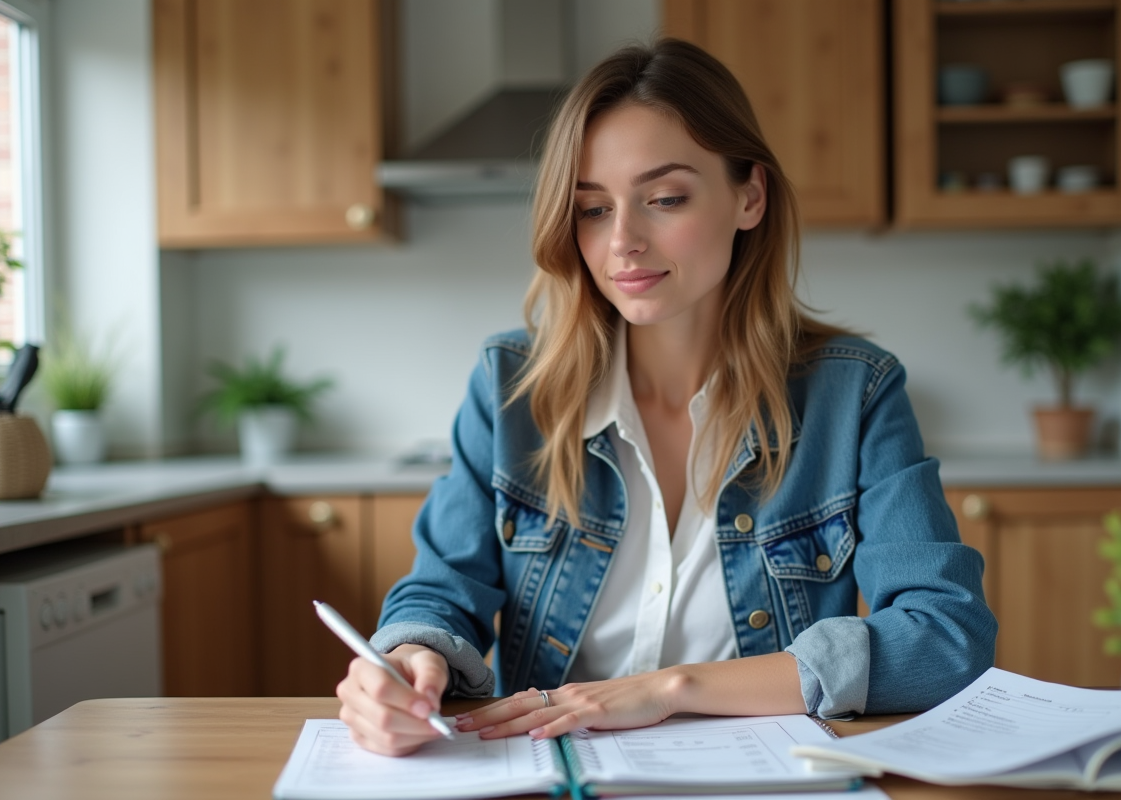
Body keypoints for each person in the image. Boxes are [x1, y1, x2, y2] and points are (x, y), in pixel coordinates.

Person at [337, 38, 997, 757]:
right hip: (555, 773)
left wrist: (672, 689)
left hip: (759, 775)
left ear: (750, 196)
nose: (622, 241)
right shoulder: (510, 386)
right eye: (591, 209)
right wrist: (409, 662)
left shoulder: (856, 392)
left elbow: (946, 634)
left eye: (664, 199)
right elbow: (441, 592)